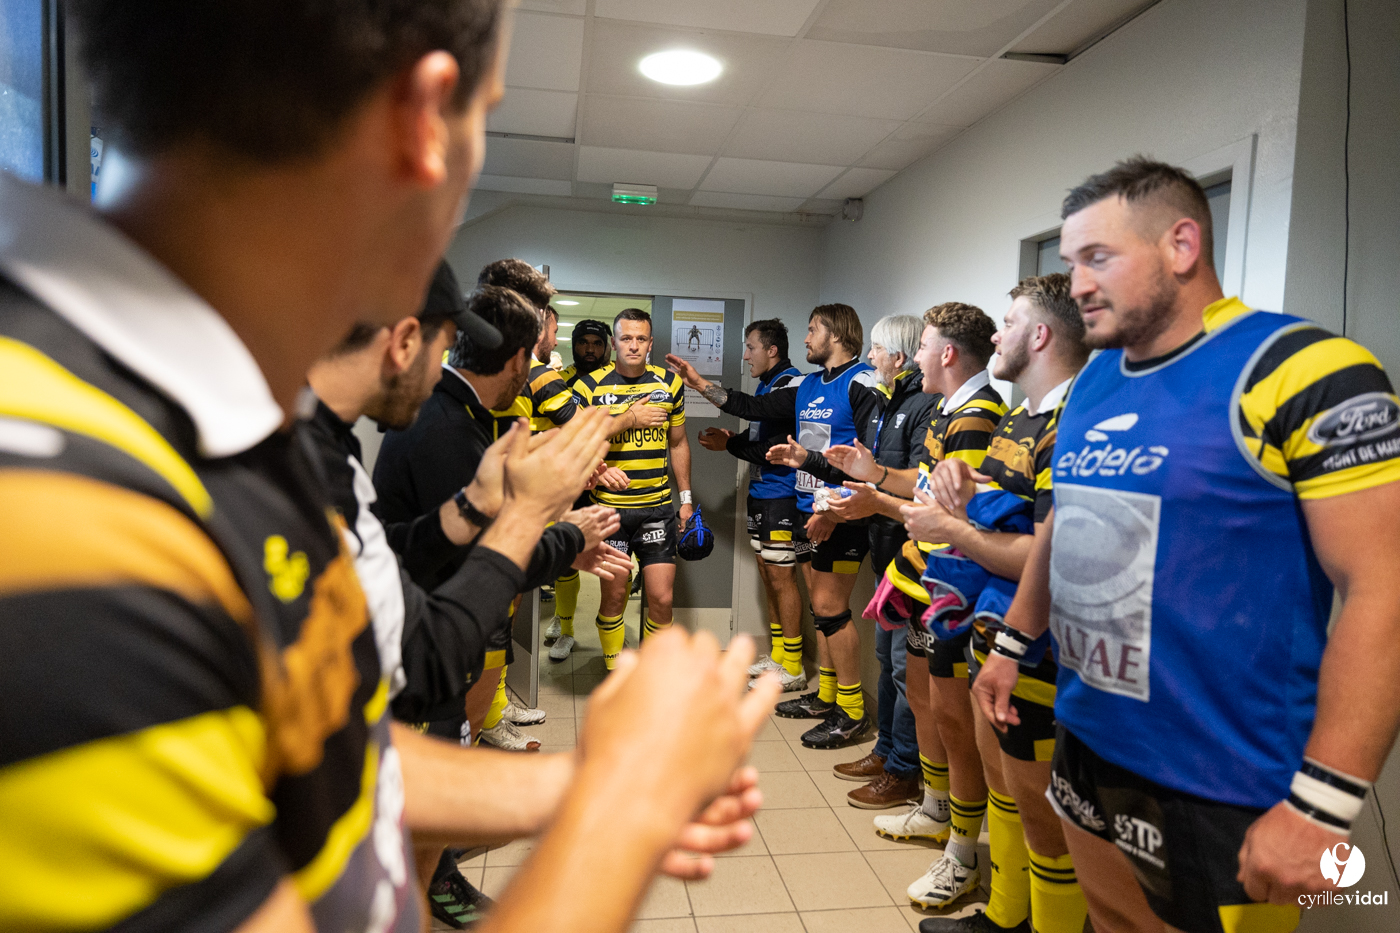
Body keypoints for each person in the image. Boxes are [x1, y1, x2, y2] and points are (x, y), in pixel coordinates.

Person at [0, 3, 779, 931]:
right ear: (424, 122)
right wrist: (626, 805)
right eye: (484, 115)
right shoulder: (64, 509)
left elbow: (329, 747)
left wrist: (588, 779)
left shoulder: (246, 428)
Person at [973, 158, 1400, 933]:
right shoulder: (1097, 380)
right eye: (1070, 263)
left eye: (1097, 257)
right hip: (1091, 737)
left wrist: (1324, 803)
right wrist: (1013, 641)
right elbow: (1066, 524)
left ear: (1181, 243)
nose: (1077, 283)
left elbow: (1385, 587)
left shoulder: (1301, 368)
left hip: (1224, 773)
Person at [303, 266, 630, 928]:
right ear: (402, 342)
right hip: (397, 668)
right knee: (422, 794)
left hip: (404, 652)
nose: (449, 364)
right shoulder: (431, 426)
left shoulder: (329, 442)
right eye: (447, 341)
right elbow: (435, 638)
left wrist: (471, 506)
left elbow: (397, 546)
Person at [908, 274, 1090, 932]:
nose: (994, 334)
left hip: (1040, 644)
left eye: (1008, 322)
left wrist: (951, 529)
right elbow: (1000, 499)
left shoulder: (1073, 420)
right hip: (996, 636)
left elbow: (1046, 554)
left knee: (1040, 806)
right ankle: (1006, 913)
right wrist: (965, 477)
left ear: (1039, 335)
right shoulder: (1023, 412)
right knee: (1004, 782)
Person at [825, 305, 1006, 885]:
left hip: (947, 584)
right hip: (917, 577)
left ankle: (960, 836)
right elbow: (921, 484)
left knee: (951, 715)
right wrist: (873, 471)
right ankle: (934, 808)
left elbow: (947, 516)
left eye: (923, 345)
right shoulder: (949, 410)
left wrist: (877, 502)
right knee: (931, 706)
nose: (911, 357)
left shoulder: (978, 418)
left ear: (947, 353)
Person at [669, 304, 883, 750]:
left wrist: (832, 508)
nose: (805, 339)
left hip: (837, 512)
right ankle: (826, 696)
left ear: (837, 333)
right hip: (809, 509)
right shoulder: (807, 385)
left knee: (829, 609)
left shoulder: (860, 382)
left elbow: (869, 460)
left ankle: (851, 711)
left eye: (812, 330)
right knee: (823, 610)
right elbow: (751, 405)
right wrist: (699, 383)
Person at [769, 314, 939, 806]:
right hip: (887, 552)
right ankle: (886, 752)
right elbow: (862, 468)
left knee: (899, 666)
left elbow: (905, 483)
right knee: (889, 663)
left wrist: (843, 508)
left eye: (879, 351)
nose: (871, 359)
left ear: (899, 356)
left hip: (914, 557)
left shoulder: (923, 406)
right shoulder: (890, 402)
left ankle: (894, 757)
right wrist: (806, 462)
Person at [574, 308, 695, 667]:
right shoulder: (587, 386)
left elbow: (678, 444)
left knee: (661, 599)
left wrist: (686, 499)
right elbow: (576, 442)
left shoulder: (668, 384)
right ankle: (614, 666)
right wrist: (600, 468)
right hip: (609, 511)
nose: (633, 345)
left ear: (650, 343)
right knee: (614, 597)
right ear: (614, 343)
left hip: (657, 508)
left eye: (641, 338)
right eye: (626, 338)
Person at [696, 319, 806, 691]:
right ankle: (778, 656)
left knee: (781, 575)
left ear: (772, 350)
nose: (745, 356)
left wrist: (701, 386)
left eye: (751, 348)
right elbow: (761, 437)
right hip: (761, 492)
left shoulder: (794, 384)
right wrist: (734, 442)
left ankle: (793, 665)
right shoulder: (768, 383)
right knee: (766, 571)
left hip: (783, 493)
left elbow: (759, 426)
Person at [560, 319, 612, 388]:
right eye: (583, 343)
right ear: (574, 346)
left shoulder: (616, 383)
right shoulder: (557, 381)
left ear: (604, 348)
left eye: (597, 344)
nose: (590, 350)